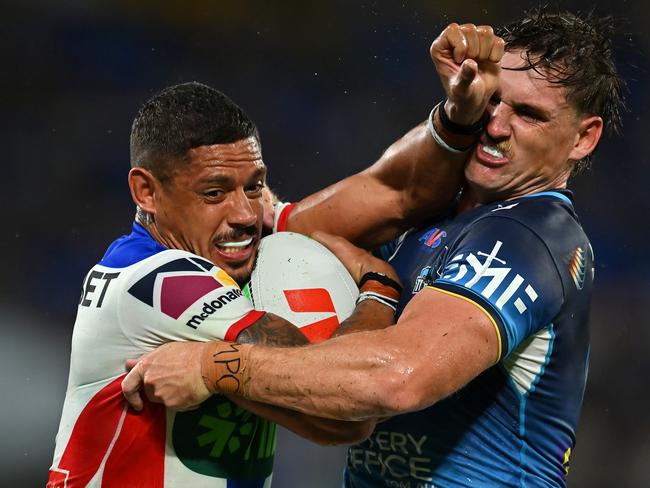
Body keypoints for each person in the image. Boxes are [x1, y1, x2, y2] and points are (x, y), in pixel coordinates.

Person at [122, 10, 624, 487]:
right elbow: (290, 227)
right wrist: (455, 114)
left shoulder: (531, 237)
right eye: (493, 101)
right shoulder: (440, 209)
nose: (495, 126)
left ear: (583, 138)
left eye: (529, 115)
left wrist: (214, 367)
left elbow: (398, 378)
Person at [48, 22, 504, 487]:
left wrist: (458, 116)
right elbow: (345, 413)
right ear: (146, 191)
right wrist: (379, 292)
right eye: (214, 192)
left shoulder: (231, 248)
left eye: (255, 186)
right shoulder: (165, 280)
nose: (245, 214)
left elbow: (396, 194)